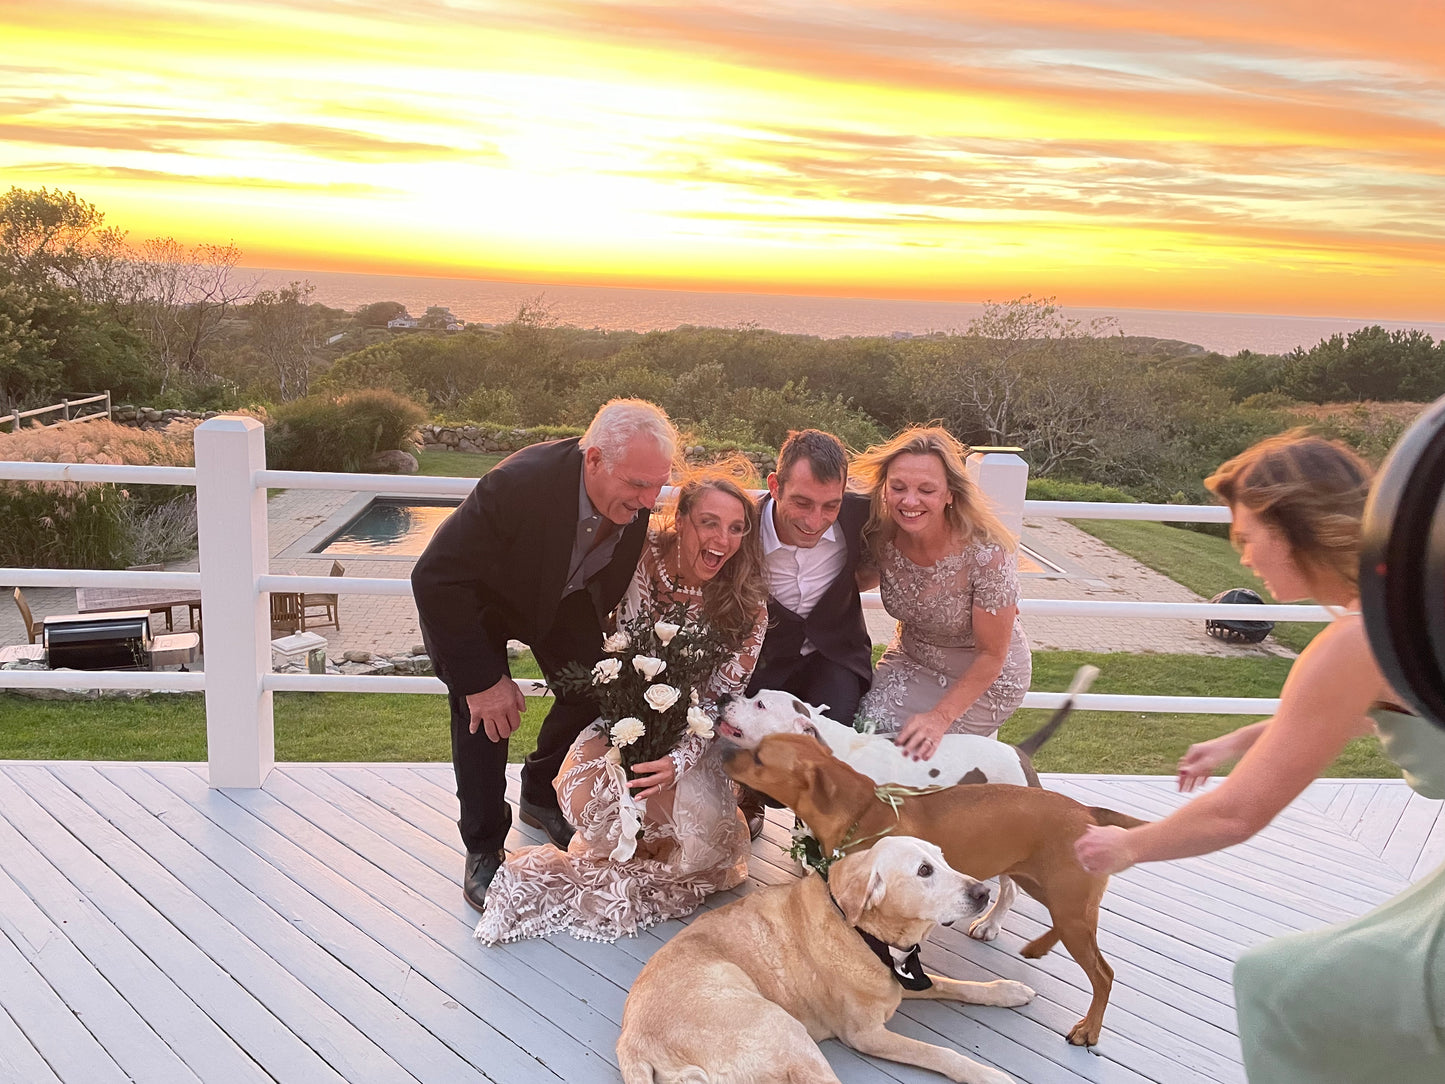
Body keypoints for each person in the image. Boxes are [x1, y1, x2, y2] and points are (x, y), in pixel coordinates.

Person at [1072, 431, 1445, 1083]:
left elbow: (1236, 814)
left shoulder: (1353, 643)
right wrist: (1245, 738)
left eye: (1246, 537)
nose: (1241, 558)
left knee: (1280, 988)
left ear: (1292, 522)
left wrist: (1127, 846)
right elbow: (1406, 705)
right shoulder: (1415, 605)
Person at [475, 464, 770, 944]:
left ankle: (693, 801)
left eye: (737, 528)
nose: (723, 539)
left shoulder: (749, 604)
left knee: (694, 842)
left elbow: (716, 700)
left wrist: (675, 762)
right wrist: (631, 736)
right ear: (683, 519)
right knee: (590, 792)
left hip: (692, 736)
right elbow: (627, 650)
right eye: (709, 522)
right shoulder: (644, 554)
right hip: (627, 715)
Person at [412, 399, 677, 912]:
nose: (649, 501)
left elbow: (603, 577)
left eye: (657, 485)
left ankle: (538, 790)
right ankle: (484, 845)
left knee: (596, 686)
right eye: (639, 485)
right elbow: (435, 576)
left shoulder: (634, 496)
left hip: (560, 597)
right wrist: (483, 680)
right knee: (486, 718)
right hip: (477, 603)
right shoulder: (517, 485)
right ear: (595, 460)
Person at [851, 426, 1031, 759]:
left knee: (909, 752)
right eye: (898, 487)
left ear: (950, 494)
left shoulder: (986, 555)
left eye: (926, 490)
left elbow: (993, 655)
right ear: (885, 489)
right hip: (911, 657)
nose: (910, 500)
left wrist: (939, 718)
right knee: (865, 729)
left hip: (988, 676)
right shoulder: (880, 535)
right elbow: (852, 580)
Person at [737, 430, 874, 836]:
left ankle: (816, 822)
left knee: (833, 743)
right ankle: (747, 796)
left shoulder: (860, 516)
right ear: (775, 486)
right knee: (750, 734)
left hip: (835, 655)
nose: (815, 521)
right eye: (802, 502)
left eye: (830, 505)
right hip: (763, 659)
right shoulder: (740, 529)